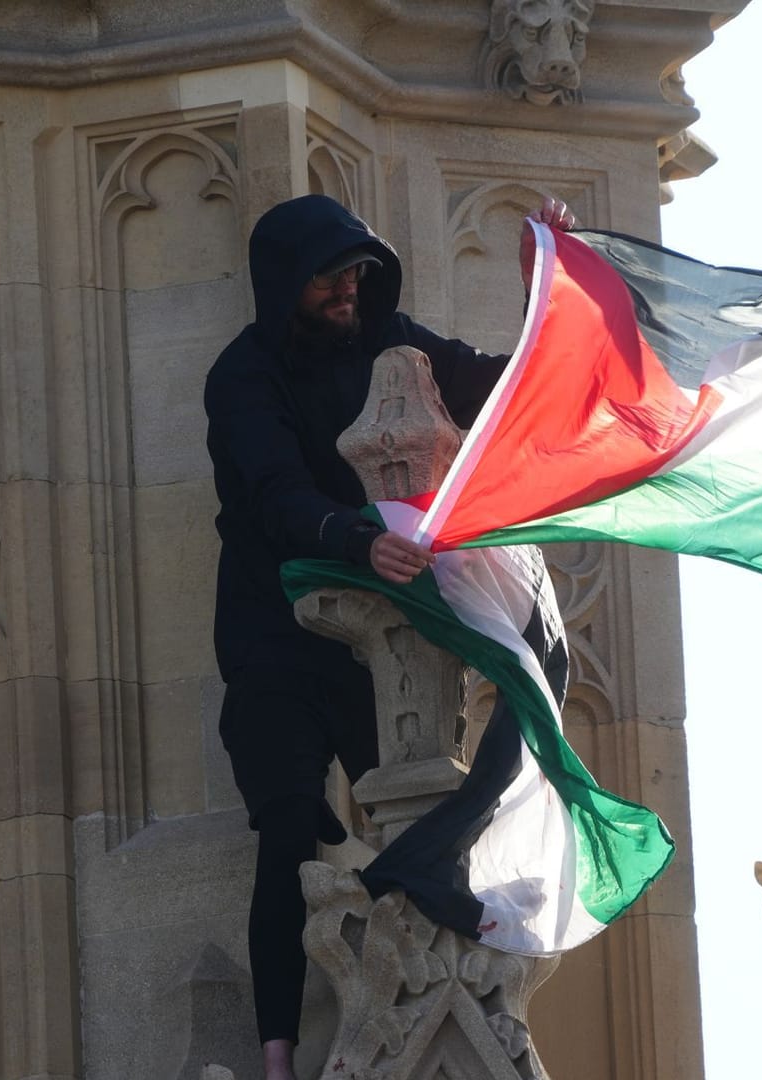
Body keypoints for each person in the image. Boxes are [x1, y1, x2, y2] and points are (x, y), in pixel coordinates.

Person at [203, 192, 574, 1080]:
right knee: (289, 827)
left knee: (439, 814)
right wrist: (354, 538)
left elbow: (494, 388)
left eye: (359, 272)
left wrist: (545, 292)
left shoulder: (386, 337)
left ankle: (470, 1021)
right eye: (331, 275)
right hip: (279, 636)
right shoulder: (244, 374)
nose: (349, 289)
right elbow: (272, 493)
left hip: (388, 636)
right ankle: (279, 1058)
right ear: (287, 282)